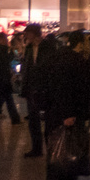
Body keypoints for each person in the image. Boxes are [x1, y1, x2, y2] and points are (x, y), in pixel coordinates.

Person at [42, 31, 90, 180]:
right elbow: (66, 88)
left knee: (59, 147)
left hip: (57, 111)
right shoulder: (73, 61)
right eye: (86, 42)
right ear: (79, 44)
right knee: (68, 148)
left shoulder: (59, 58)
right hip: (68, 112)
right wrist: (68, 113)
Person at [20, 23, 52, 157]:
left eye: (28, 33)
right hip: (31, 88)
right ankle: (36, 148)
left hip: (45, 87)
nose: (25, 35)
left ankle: (52, 148)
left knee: (49, 120)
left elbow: (49, 67)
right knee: (33, 120)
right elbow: (27, 68)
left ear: (35, 34)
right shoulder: (28, 48)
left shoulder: (48, 47)